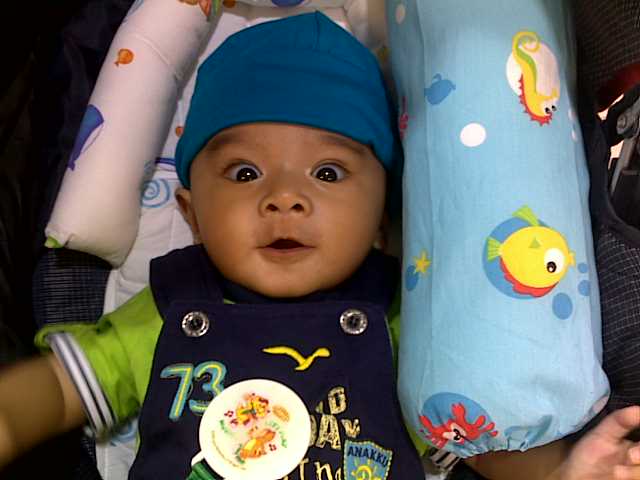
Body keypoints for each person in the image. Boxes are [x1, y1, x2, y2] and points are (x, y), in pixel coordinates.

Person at [0, 10, 639, 480]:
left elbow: (485, 436)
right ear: (192, 215)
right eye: (244, 173)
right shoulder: (169, 308)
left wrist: (563, 471)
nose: (285, 197)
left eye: (328, 173)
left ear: (383, 219)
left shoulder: (411, 324)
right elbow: (59, 389)